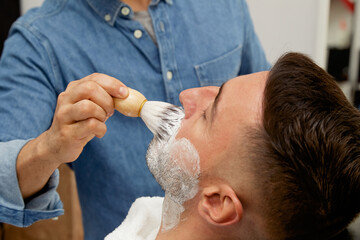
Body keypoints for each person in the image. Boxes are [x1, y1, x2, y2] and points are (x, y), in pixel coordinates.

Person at [0, 0, 270, 239]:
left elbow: (273, 117)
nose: (187, 98)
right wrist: (49, 147)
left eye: (214, 103)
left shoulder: (225, 6)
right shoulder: (39, 40)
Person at [106, 53, 360, 240]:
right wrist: (63, 153)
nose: (187, 95)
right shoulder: (145, 221)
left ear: (218, 203)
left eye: (207, 114)